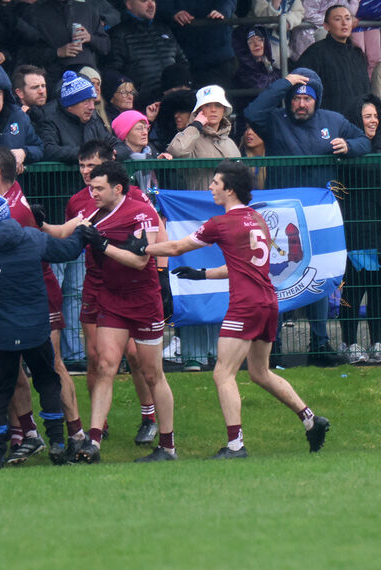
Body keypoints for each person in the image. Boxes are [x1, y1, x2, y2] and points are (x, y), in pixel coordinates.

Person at [123, 159, 331, 457]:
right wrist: (203, 274)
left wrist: (143, 247)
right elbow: (244, 266)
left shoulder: (220, 223)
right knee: (260, 372)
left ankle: (236, 445)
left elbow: (176, 247)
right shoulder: (257, 219)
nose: (210, 187)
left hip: (245, 305)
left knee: (223, 374)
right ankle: (311, 420)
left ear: (229, 189)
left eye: (215, 183)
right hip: (268, 302)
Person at [0, 191, 91, 468]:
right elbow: (68, 250)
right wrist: (82, 233)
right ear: (7, 215)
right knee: (47, 381)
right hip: (35, 327)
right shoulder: (31, 237)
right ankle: (57, 442)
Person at [244, 68, 370, 364]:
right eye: (296, 98)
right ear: (288, 99)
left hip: (318, 219)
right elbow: (252, 112)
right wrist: (284, 83)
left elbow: (364, 142)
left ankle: (320, 345)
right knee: (278, 279)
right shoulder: (275, 120)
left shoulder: (333, 121)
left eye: (307, 98)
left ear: (317, 100)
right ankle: (273, 347)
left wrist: (349, 146)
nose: (301, 104)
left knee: (318, 277)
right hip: (282, 219)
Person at [0, 146, 87, 463]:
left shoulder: (11, 213)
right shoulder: (5, 191)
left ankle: (76, 434)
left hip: (36, 292)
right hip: (18, 296)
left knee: (52, 365)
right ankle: (29, 433)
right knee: (15, 370)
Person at [67, 140, 167, 449]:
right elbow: (65, 233)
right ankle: (96, 435)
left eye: (93, 167)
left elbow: (145, 254)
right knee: (99, 360)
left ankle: (154, 423)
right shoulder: (79, 202)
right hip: (100, 286)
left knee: (143, 363)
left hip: (140, 292)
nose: (87, 174)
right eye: (82, 166)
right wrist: (39, 225)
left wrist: (163, 272)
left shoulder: (137, 203)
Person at [167, 84, 239, 370]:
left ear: (225, 110)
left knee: (221, 281)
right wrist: (194, 126)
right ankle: (195, 354)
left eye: (218, 106)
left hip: (224, 222)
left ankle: (218, 352)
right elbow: (175, 150)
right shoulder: (191, 137)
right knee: (195, 280)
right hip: (194, 219)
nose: (213, 111)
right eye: (207, 106)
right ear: (198, 111)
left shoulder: (230, 143)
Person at [340, 93, 381, 363]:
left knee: (377, 290)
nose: (373, 120)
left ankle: (377, 342)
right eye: (367, 116)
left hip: (377, 232)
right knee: (353, 290)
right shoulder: (347, 150)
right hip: (354, 231)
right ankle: (349, 342)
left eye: (376, 116)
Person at [106, 0, 187, 107]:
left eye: (153, 0)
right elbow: (113, 73)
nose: (151, 5)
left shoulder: (164, 29)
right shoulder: (118, 34)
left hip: (175, 101)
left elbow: (183, 62)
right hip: (143, 106)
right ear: (129, 4)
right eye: (144, 0)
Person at [296, 4, 369, 118]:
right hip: (328, 119)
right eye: (338, 19)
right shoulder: (315, 52)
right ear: (326, 26)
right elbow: (304, 88)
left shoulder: (357, 54)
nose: (344, 23)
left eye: (348, 19)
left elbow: (365, 89)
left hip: (357, 120)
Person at [17, 0, 110, 89]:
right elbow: (27, 54)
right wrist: (57, 52)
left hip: (86, 74)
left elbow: (105, 47)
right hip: (54, 78)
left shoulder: (87, 9)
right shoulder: (35, 12)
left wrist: (90, 38)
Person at [36, 70, 115, 164]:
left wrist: (110, 154)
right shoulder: (50, 122)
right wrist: (89, 154)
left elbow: (120, 146)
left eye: (93, 101)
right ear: (70, 105)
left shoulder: (94, 121)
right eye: (86, 102)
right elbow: (49, 151)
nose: (92, 107)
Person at [157, 0, 237, 89]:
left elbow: (228, 2)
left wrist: (222, 11)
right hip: (184, 56)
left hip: (218, 54)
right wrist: (173, 13)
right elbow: (158, 5)